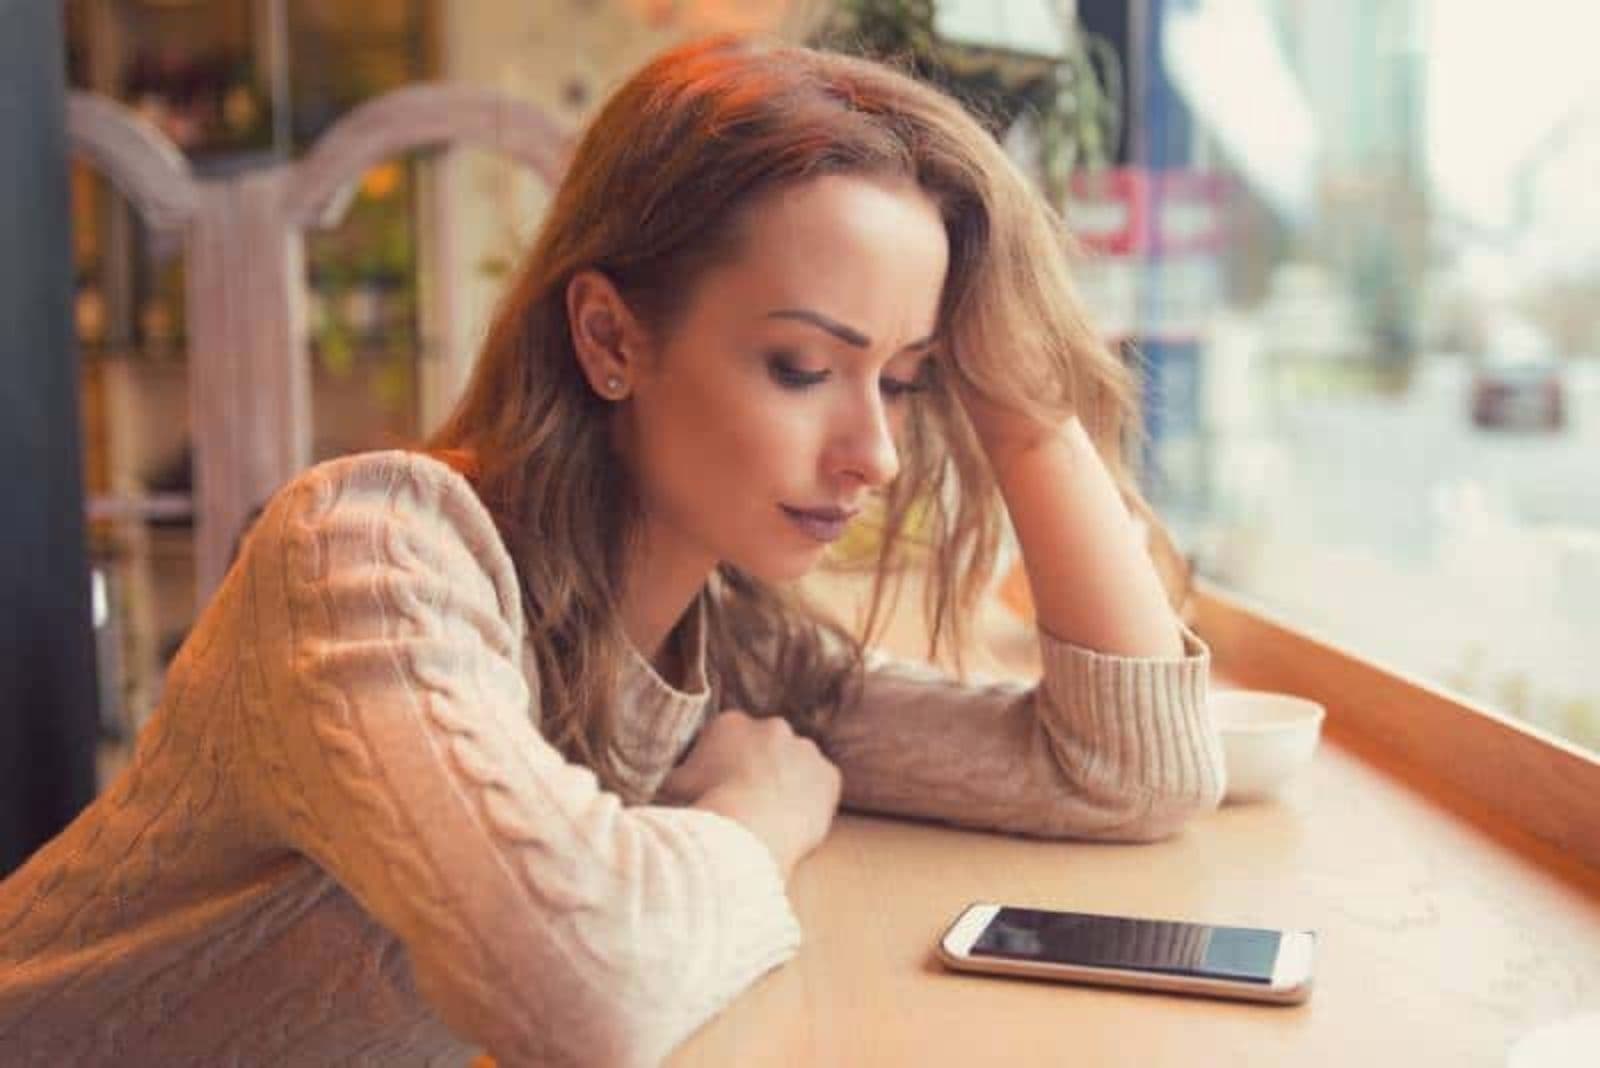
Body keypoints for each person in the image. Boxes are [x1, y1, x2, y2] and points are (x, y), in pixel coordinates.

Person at [0, 35, 1222, 1067]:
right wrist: (755, 818)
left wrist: (1020, 397)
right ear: (608, 338)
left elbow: (1127, 770)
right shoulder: (370, 552)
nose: (877, 455)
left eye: (903, 381)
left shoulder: (726, 651)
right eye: (803, 368)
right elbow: (575, 984)